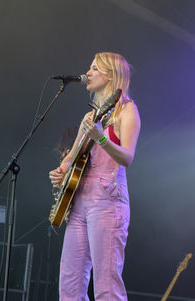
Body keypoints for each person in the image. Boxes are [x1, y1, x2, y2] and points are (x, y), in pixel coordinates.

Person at [49, 52, 141, 301]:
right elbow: (70, 161)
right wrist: (61, 172)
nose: (87, 73)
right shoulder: (89, 117)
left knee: (106, 287)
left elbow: (127, 158)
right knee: (69, 284)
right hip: (79, 204)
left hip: (108, 202)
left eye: (94, 69)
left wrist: (101, 137)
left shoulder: (127, 111)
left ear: (111, 76)